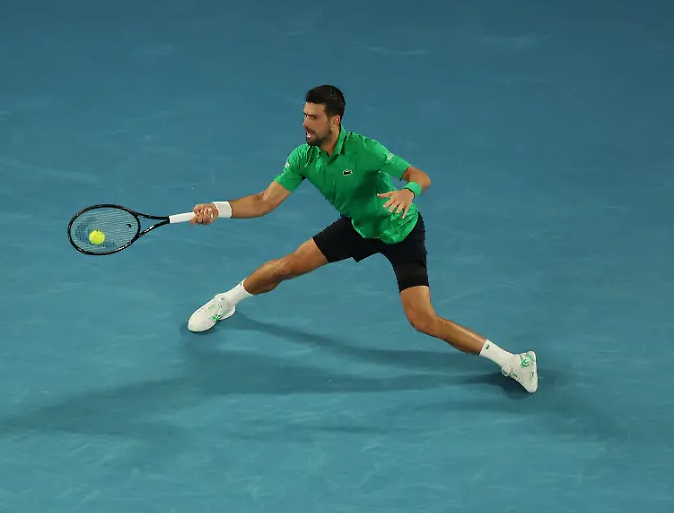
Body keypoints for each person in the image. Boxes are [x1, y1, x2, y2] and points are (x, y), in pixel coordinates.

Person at [185, 85, 538, 393]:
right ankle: (225, 301)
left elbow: (419, 175)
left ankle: (513, 361)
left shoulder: (364, 149)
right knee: (286, 267)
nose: (305, 124)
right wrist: (218, 208)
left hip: (401, 231)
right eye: (304, 115)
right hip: (357, 227)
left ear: (335, 120)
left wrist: (409, 193)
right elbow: (264, 202)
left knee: (423, 320)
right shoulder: (304, 157)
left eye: (314, 117)